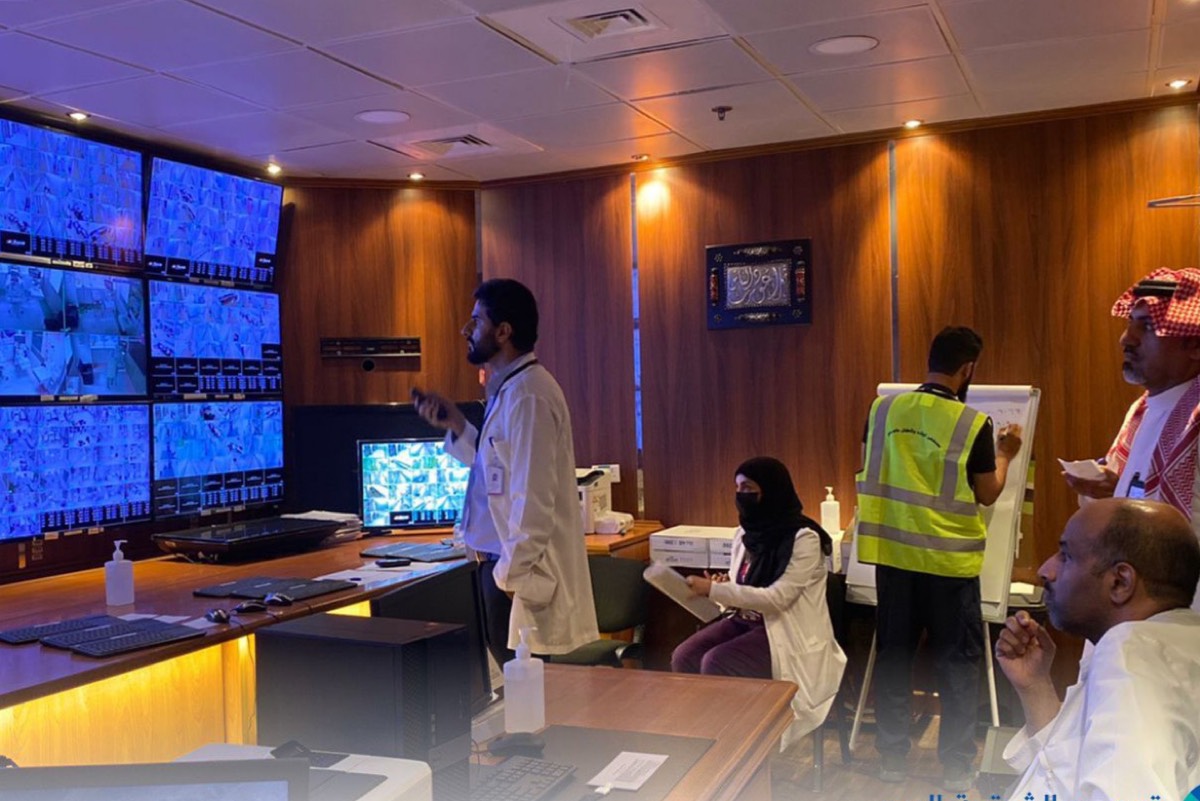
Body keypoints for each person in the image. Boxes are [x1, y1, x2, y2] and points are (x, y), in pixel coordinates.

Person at [855, 325, 1023, 790]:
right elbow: (987, 492)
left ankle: (891, 760)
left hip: (893, 559)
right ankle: (955, 767)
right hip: (948, 566)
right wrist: (1006, 454)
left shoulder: (882, 409)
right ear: (968, 369)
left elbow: (870, 465)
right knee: (957, 665)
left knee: (893, 658)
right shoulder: (972, 423)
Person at [415, 278, 598, 663]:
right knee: (513, 684)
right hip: (496, 565)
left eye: (476, 321)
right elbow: (495, 468)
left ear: (503, 331)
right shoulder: (512, 390)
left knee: (526, 687)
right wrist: (458, 425)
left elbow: (534, 500)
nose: (467, 331)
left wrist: (509, 577)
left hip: (513, 572)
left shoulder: (529, 395)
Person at [995, 498, 1200, 801]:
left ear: (1120, 582)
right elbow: (1066, 772)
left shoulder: (1133, 652)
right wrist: (1035, 685)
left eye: (1066, 556)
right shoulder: (1172, 643)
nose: (1045, 570)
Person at [672, 457, 847, 748]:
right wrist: (723, 586)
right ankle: (703, 738)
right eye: (738, 488)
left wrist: (714, 591)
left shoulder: (804, 539)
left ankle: (738, 748)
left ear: (772, 490)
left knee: (717, 661)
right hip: (746, 621)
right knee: (685, 655)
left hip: (787, 632)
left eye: (748, 488)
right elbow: (742, 585)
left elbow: (778, 599)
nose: (741, 495)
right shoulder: (745, 534)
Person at [1063, 267, 1200, 611]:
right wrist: (1110, 490)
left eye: (1148, 327)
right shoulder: (1143, 409)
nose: (1127, 339)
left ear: (1194, 343)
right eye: (1130, 323)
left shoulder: (1194, 418)